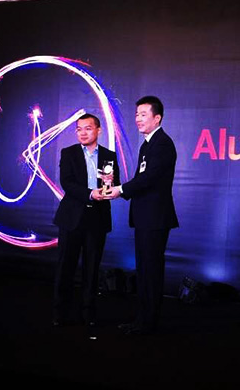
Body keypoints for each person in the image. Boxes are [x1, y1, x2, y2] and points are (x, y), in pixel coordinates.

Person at [106, 96, 179, 335]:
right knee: (144, 270)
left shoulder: (163, 144)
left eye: (143, 114)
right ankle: (141, 320)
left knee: (151, 271)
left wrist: (121, 189)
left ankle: (148, 323)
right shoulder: (147, 144)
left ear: (157, 118)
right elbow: (141, 179)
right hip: (144, 217)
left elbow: (149, 179)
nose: (138, 118)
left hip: (155, 218)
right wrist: (118, 187)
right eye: (137, 114)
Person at [53, 113, 120, 326]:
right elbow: (67, 183)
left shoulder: (109, 155)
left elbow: (114, 183)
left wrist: (110, 186)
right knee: (65, 267)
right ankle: (60, 312)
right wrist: (91, 193)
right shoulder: (69, 153)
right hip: (72, 217)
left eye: (88, 128)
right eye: (79, 129)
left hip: (97, 218)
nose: (82, 133)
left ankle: (88, 312)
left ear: (99, 130)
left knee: (92, 268)